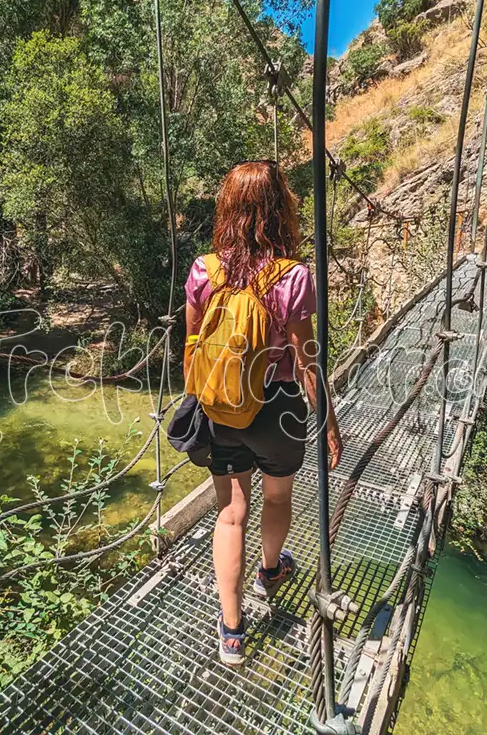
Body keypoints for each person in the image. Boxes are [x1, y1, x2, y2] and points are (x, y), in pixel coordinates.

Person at [183, 160, 343, 666]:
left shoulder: (203, 270)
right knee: (277, 498)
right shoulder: (293, 277)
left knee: (231, 514)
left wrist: (200, 403)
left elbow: (190, 348)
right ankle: (271, 571)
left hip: (219, 409)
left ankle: (231, 632)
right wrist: (329, 422)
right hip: (276, 410)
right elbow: (306, 361)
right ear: (281, 210)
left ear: (227, 208)